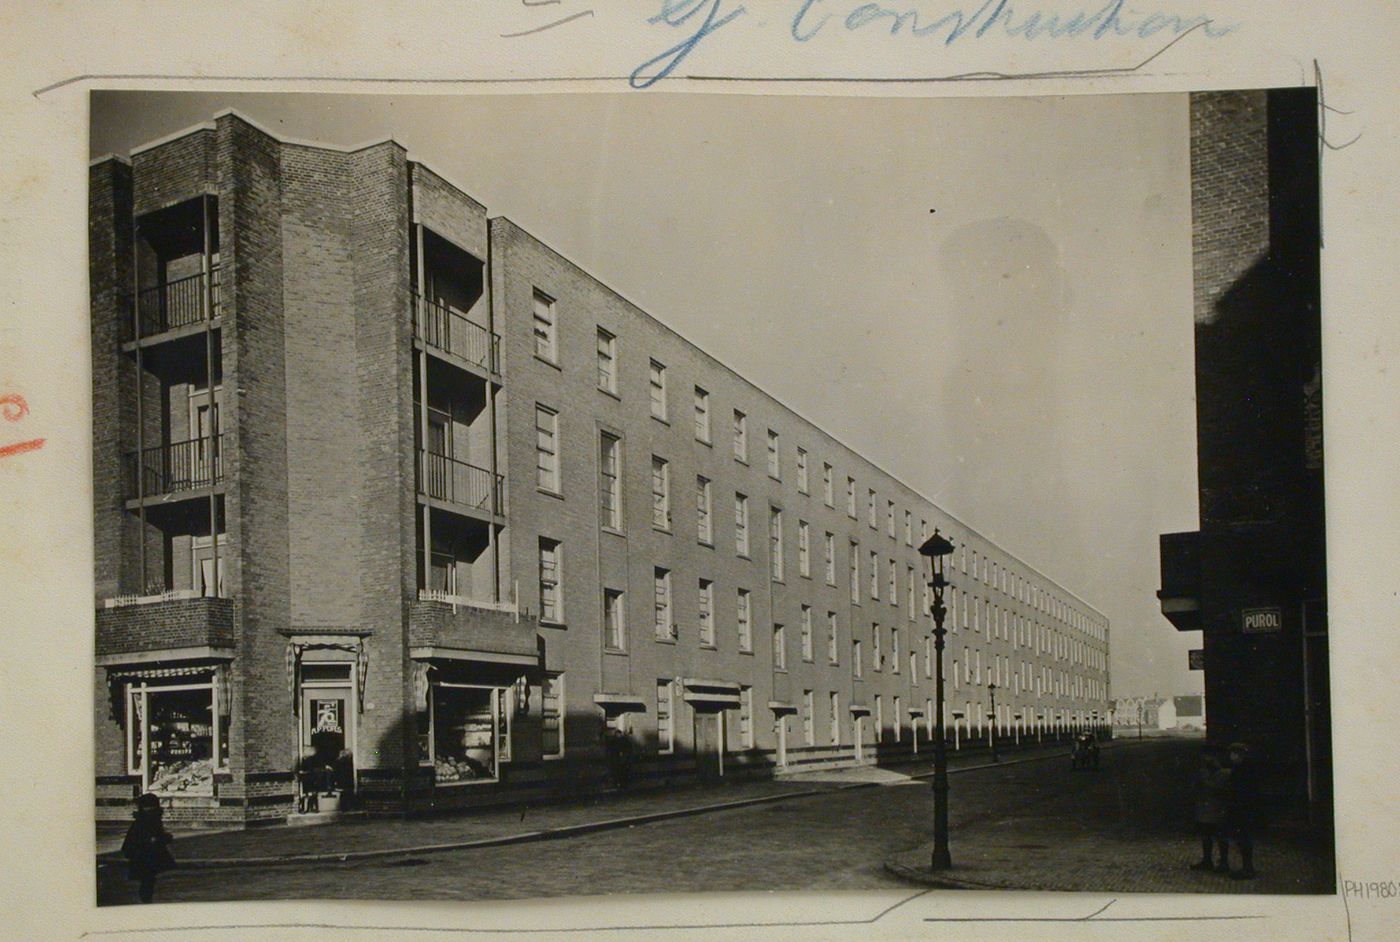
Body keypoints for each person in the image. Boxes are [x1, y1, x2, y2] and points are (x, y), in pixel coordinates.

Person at [121, 792, 175, 903]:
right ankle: (146, 901)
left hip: (143, 855)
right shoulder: (149, 819)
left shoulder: (144, 819)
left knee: (148, 880)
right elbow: (151, 839)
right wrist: (165, 838)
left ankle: (146, 899)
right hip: (145, 855)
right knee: (147, 880)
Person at [1189, 747, 1230, 872]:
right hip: (1205, 808)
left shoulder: (1225, 773)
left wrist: (1204, 780)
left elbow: (1217, 789)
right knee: (1206, 835)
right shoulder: (1205, 772)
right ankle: (1207, 860)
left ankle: (1223, 863)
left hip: (1218, 808)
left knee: (1221, 836)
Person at [1224, 741, 1261, 879]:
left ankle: (1248, 868)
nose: (1230, 757)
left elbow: (1239, 790)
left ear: (1237, 755)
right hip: (1245, 807)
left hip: (1242, 808)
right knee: (1244, 838)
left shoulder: (1242, 770)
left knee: (1244, 838)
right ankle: (1247, 867)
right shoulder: (1247, 768)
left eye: (1232, 754)